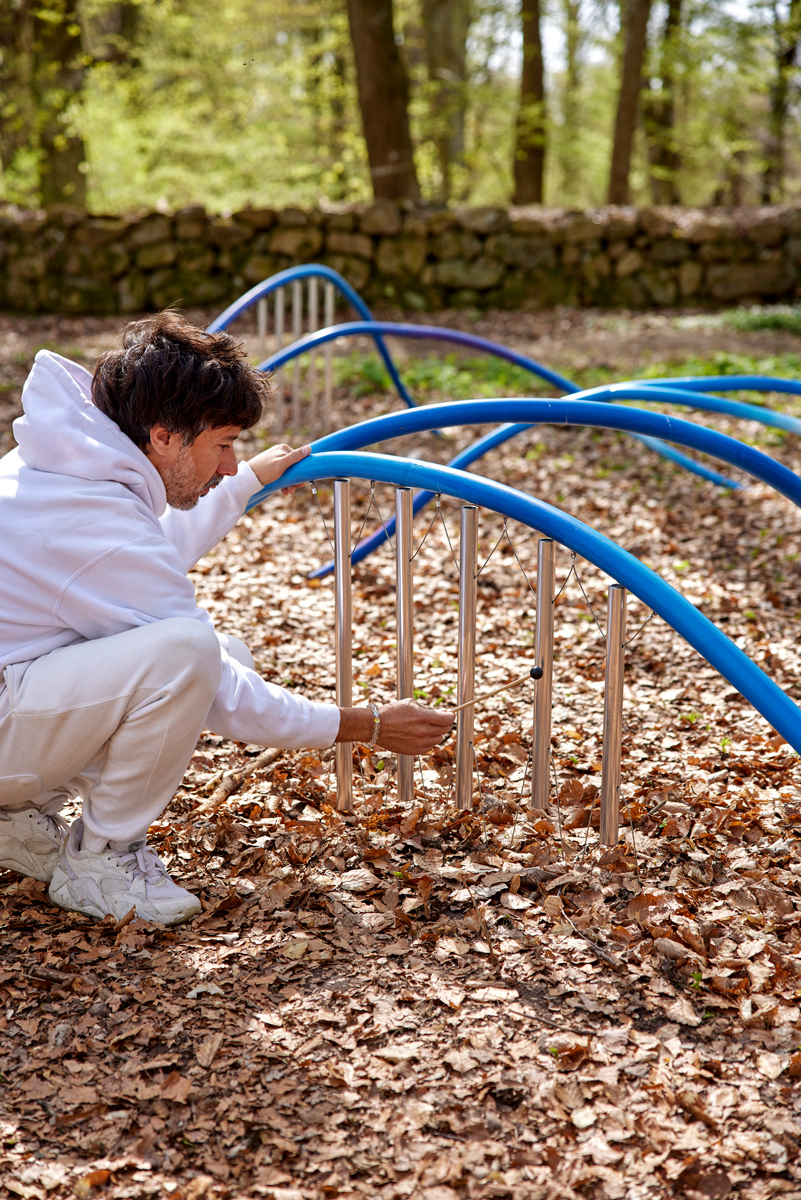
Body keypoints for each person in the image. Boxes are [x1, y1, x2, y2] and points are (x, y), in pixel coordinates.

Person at [0, 312, 453, 925]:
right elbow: (151, 597)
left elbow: (133, 556)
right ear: (163, 437)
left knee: (214, 654)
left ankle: (16, 815)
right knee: (193, 653)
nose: (231, 464)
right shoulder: (96, 522)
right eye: (222, 444)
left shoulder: (65, 467)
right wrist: (362, 724)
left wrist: (243, 488)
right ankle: (103, 860)